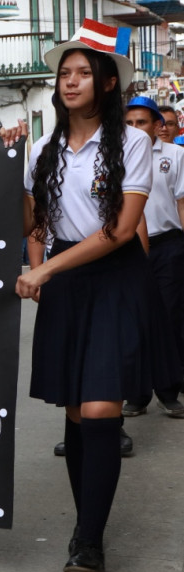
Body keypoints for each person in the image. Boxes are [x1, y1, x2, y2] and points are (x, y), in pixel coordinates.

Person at [1, 20, 176, 572]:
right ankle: (86, 528)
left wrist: (45, 268)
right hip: (67, 283)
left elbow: (120, 230)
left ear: (107, 82)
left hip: (116, 278)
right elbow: (31, 223)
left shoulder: (134, 143)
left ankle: (90, 541)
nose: (71, 81)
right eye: (64, 74)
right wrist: (9, 168)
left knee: (101, 410)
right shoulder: (43, 150)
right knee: (77, 412)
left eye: (83, 72)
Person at [121, 96, 184, 418]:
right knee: (133, 321)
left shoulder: (175, 155)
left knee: (168, 318)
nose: (135, 128)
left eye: (141, 122)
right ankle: (137, 394)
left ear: (157, 125)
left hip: (168, 247)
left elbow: (182, 203)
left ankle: (169, 390)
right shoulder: (115, 156)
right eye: (129, 123)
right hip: (126, 247)